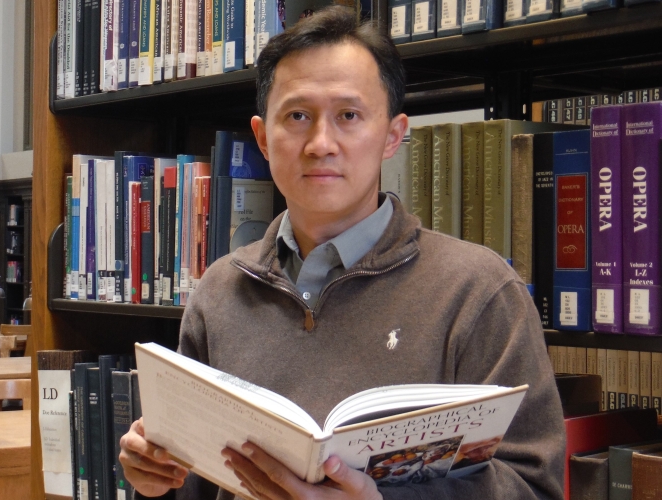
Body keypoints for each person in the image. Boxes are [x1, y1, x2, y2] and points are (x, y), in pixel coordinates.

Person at [118, 7, 564, 500]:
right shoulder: (220, 291)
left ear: (393, 135)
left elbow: (533, 486)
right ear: (264, 138)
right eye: (297, 116)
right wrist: (153, 479)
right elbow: (197, 483)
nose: (320, 144)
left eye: (348, 116)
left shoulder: (477, 290)